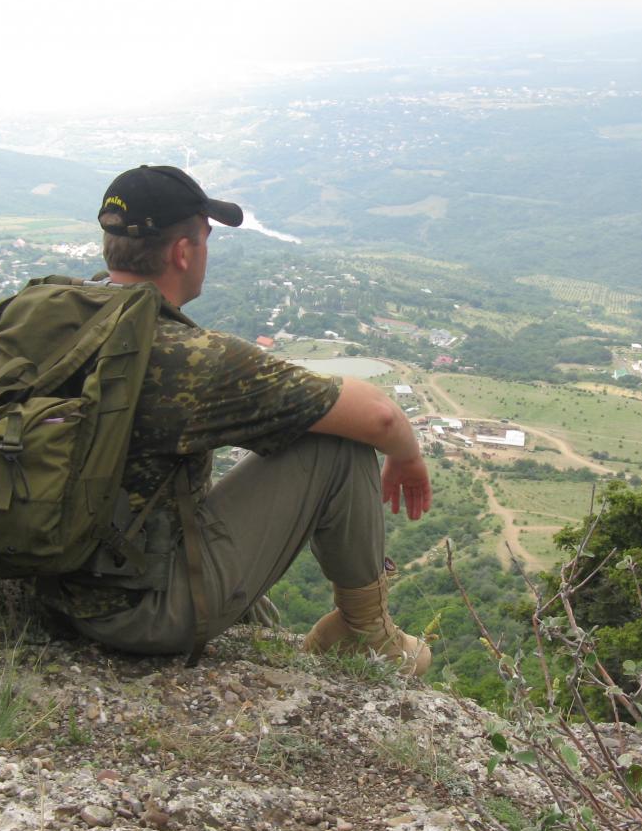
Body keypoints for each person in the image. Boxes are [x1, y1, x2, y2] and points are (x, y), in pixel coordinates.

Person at [36, 164, 433, 674]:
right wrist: (408, 457)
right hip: (135, 613)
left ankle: (262, 620)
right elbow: (378, 417)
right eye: (205, 238)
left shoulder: (59, 312)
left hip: (49, 579)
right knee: (340, 441)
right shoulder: (186, 357)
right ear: (183, 252)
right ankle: (367, 634)